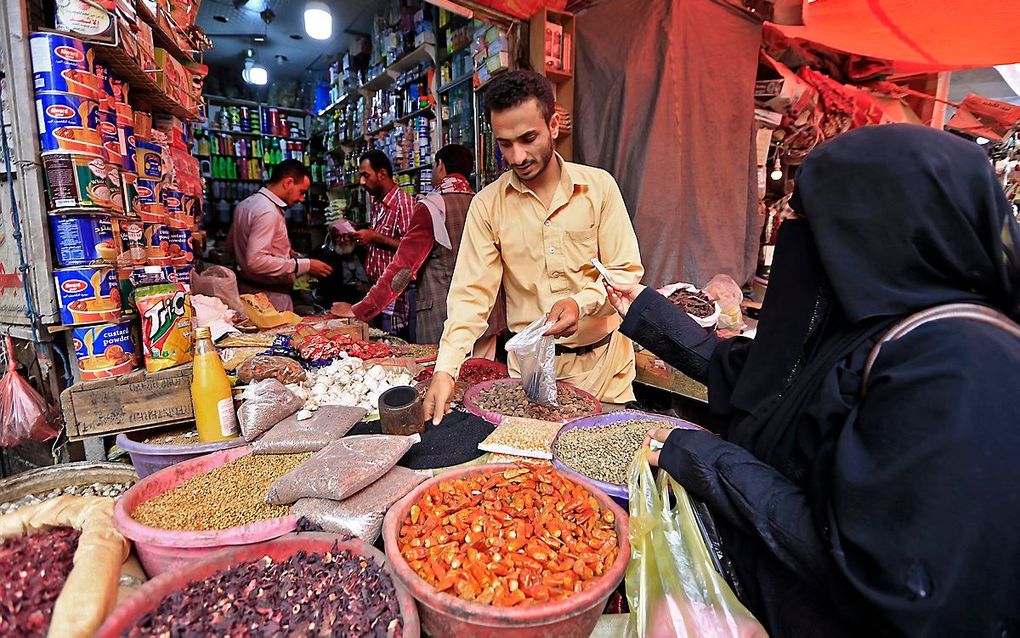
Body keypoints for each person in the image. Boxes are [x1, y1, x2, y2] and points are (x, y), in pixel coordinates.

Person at [606, 125, 1020, 637]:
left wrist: (703, 456)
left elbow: (866, 568)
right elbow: (756, 376)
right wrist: (646, 310)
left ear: (871, 228)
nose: (790, 234)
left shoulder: (958, 367)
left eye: (807, 220)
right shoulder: (866, 324)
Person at [424, 70, 644, 424]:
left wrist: (579, 303)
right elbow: (470, 296)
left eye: (528, 138)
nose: (517, 156)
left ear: (554, 125)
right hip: (530, 378)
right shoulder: (487, 205)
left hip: (606, 371)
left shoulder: (599, 188)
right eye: (505, 144)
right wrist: (446, 369)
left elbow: (625, 274)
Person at [331, 144, 506, 352]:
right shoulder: (485, 203)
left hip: (445, 319)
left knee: (444, 381)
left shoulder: (431, 207)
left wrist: (359, 310)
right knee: (482, 380)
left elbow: (402, 269)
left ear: (440, 166)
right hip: (488, 314)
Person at [225, 159, 333, 311]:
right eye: (301, 192)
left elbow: (231, 246)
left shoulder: (246, 204)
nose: (302, 199)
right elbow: (255, 261)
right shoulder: (268, 211)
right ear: (288, 183)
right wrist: (304, 265)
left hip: (248, 292)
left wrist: (283, 253)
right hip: (269, 299)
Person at [355, 149, 417, 339]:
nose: (362, 182)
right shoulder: (378, 204)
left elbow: (412, 250)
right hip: (379, 291)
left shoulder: (404, 204)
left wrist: (374, 237)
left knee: (396, 345)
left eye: (366, 175)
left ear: (382, 174)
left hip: (396, 294)